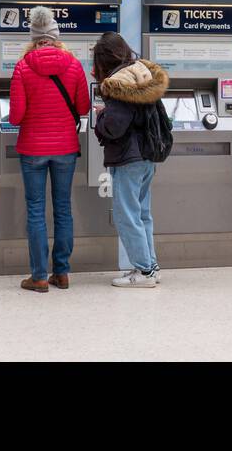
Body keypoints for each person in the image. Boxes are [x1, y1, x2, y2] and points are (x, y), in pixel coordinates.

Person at [7, 6, 88, 292]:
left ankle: (39, 276)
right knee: (64, 209)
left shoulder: (23, 66)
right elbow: (83, 107)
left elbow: (15, 116)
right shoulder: (74, 65)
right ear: (56, 37)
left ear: (33, 38)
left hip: (33, 150)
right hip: (66, 148)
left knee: (36, 210)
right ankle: (62, 273)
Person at [93, 32, 168, 288]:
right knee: (143, 213)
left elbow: (115, 126)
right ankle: (151, 266)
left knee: (127, 215)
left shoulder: (119, 83)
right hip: (147, 155)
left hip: (128, 157)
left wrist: (101, 117)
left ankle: (144, 271)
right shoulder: (142, 75)